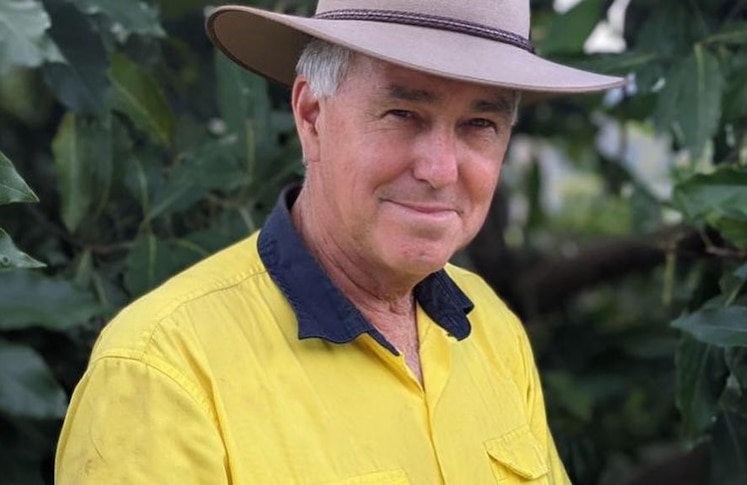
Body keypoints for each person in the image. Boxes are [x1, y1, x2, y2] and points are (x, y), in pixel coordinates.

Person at [55, 1, 623, 483]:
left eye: (480, 125)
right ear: (311, 116)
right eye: (403, 112)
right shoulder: (160, 369)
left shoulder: (492, 329)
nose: (440, 169)